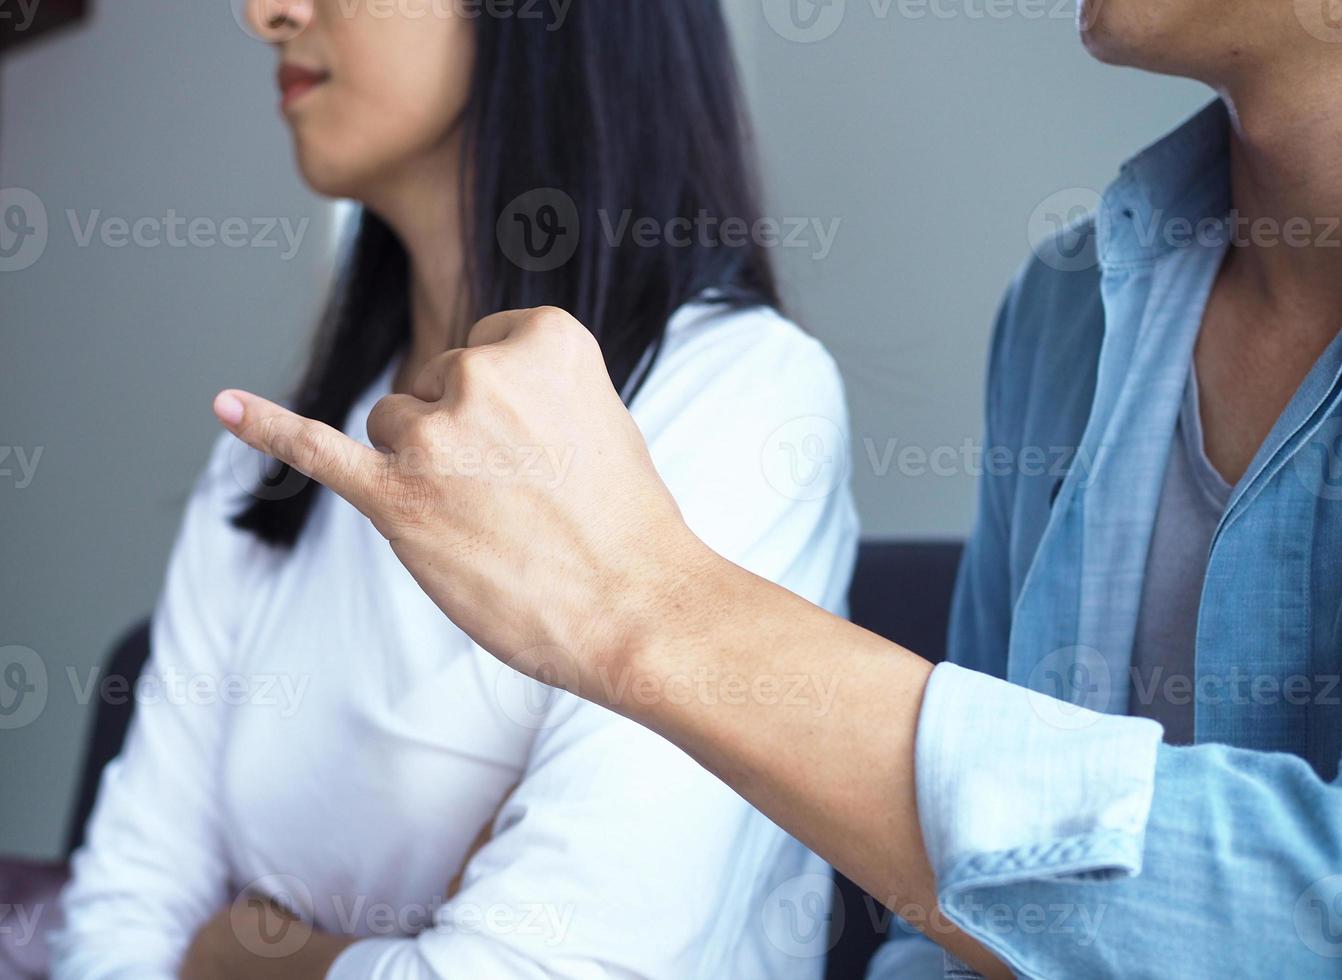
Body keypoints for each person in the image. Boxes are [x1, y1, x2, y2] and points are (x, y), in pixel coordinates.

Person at [211, 0, 1342, 975]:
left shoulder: (729, 393)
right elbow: (943, 932)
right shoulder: (1067, 309)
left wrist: (657, 611)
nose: (265, 12)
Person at [52, 1, 860, 977]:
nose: (267, 13)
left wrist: (241, 954)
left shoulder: (741, 397)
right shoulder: (272, 456)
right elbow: (120, 914)